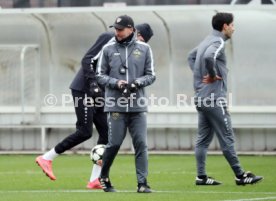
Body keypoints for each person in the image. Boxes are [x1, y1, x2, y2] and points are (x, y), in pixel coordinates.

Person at [187, 12, 263, 186]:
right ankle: (240, 175)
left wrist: (200, 77)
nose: (234, 28)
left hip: (201, 98)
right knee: (227, 136)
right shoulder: (218, 41)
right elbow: (208, 57)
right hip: (213, 99)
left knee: (203, 139)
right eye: (232, 25)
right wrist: (212, 75)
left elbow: (191, 56)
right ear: (225, 26)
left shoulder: (207, 40)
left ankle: (201, 177)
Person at [86, 23, 154, 189]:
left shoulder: (145, 48)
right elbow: (100, 75)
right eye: (116, 29)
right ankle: (104, 176)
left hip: (138, 106)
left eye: (121, 29)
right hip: (115, 106)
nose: (117, 32)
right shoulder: (108, 48)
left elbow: (151, 75)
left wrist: (136, 83)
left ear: (131, 29)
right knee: (114, 144)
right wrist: (117, 83)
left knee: (141, 144)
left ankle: (142, 183)